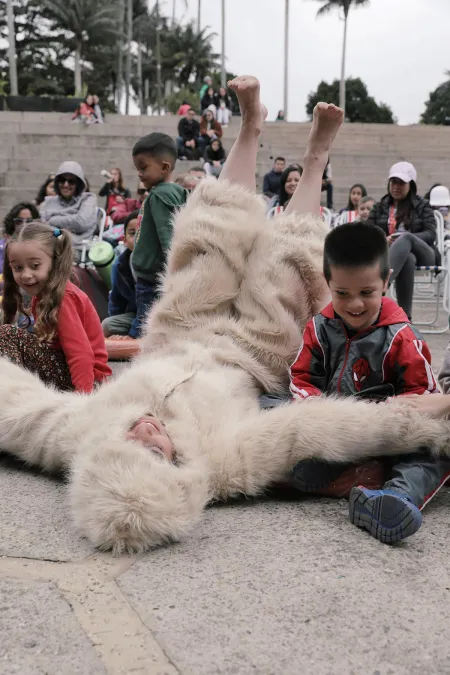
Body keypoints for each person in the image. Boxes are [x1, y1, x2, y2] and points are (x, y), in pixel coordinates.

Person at [0, 77, 448, 556]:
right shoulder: (224, 465)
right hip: (253, 355)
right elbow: (306, 430)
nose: (145, 432)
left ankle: (250, 127)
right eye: (154, 452)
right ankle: (317, 155)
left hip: (176, 332)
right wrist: (422, 424)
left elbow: (16, 412)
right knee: (289, 261)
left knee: (206, 237)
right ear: (178, 470)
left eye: (124, 444)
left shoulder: (79, 435)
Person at [289, 222, 449, 544]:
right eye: (342, 294)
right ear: (328, 283)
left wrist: (391, 413)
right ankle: (335, 471)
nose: (355, 305)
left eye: (367, 293)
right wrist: (316, 410)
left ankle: (395, 498)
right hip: (335, 431)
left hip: (388, 434)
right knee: (268, 403)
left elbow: (424, 397)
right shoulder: (319, 329)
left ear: (386, 281)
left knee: (435, 451)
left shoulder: (401, 337)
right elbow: (301, 377)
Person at [0, 221, 111, 392]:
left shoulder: (63, 298)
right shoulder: (43, 295)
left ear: (55, 261)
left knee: (7, 334)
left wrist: (82, 400)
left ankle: (14, 394)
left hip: (89, 382)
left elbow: (80, 354)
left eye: (35, 265)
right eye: (18, 267)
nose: (26, 275)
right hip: (69, 373)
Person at [131, 132, 188, 337]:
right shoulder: (177, 192)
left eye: (143, 167)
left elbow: (169, 239)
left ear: (164, 167)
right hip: (159, 278)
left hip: (153, 281)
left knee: (145, 330)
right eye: (137, 168)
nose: (139, 173)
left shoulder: (159, 195)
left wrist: (174, 271)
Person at [366, 162, 437, 320]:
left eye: (401, 183)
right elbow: (368, 233)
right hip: (395, 256)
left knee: (405, 237)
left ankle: (381, 286)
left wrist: (405, 238)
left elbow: (431, 234)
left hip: (424, 253)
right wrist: (384, 240)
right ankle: (406, 318)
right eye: (393, 182)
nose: (396, 187)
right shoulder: (380, 207)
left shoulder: (422, 205)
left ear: (410, 185)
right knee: (407, 258)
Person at [40, 161, 98, 261]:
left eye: (71, 181)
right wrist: (62, 231)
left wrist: (54, 220)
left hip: (78, 249)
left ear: (79, 184)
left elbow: (81, 223)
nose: (66, 185)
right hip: (51, 246)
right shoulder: (48, 202)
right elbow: (44, 229)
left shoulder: (88, 198)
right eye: (62, 180)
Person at [102, 211, 138, 338]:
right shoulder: (119, 265)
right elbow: (117, 301)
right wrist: (116, 334)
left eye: (143, 232)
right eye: (133, 233)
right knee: (107, 326)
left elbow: (150, 302)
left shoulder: (156, 262)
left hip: (158, 316)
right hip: (136, 316)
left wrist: (133, 333)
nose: (138, 238)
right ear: (125, 240)